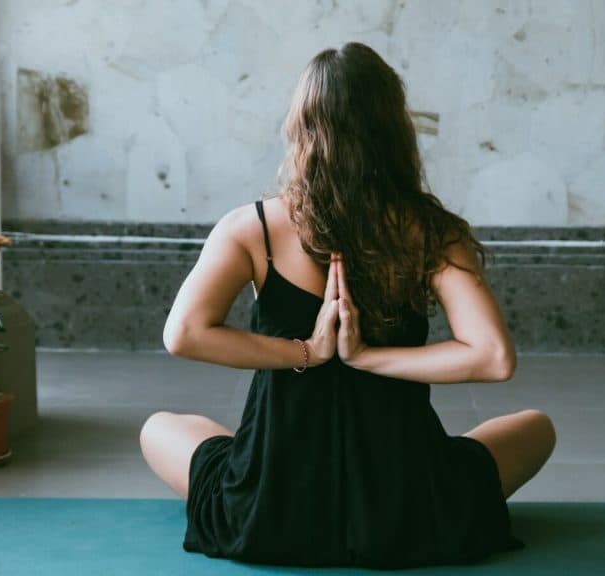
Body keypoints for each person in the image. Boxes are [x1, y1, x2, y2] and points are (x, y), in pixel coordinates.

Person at [139, 43, 556, 569]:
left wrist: (309, 352)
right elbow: (494, 357)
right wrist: (367, 357)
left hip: (271, 508)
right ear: (393, 129)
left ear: (301, 127)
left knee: (159, 427)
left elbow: (183, 334)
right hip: (411, 510)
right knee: (537, 426)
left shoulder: (252, 229)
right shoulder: (431, 233)